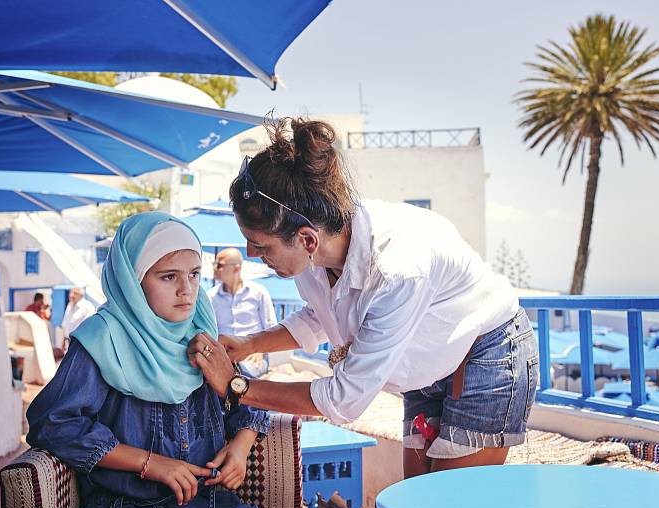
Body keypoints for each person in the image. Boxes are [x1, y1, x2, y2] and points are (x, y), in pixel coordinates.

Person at [188, 118, 539, 479]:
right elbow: (321, 315)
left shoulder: (397, 269)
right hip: (427, 363)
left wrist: (236, 386)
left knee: (446, 507)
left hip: (484, 352)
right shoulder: (318, 245)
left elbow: (344, 399)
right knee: (416, 501)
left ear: (307, 240)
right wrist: (249, 344)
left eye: (261, 246)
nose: (249, 253)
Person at [26, 212, 293, 508]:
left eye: (194, 274)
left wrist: (241, 446)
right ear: (132, 280)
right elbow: (53, 423)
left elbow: (245, 392)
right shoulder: (102, 340)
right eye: (169, 277)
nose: (187, 290)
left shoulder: (201, 333)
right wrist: (149, 463)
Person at [207, 248, 277, 377]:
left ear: (236, 268)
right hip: (224, 356)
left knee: (242, 373)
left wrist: (259, 349)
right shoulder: (210, 297)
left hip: (253, 355)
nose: (215, 268)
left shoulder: (258, 292)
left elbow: (271, 327)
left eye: (220, 265)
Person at [60, 287, 95, 351]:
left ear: (81, 295)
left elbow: (89, 327)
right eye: (71, 292)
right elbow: (66, 324)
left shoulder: (88, 306)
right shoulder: (70, 305)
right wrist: (63, 341)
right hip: (69, 342)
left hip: (80, 344)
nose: (71, 295)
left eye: (75, 293)